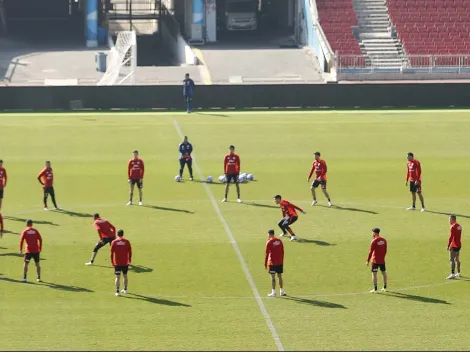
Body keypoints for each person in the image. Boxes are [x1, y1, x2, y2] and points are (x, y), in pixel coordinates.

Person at [110, 229, 132, 296]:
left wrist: (112, 262)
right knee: (125, 276)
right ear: (123, 234)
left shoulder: (114, 242)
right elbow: (130, 252)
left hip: (117, 263)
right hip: (125, 262)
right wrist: (129, 260)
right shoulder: (127, 241)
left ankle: (117, 291)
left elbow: (111, 253)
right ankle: (125, 289)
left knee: (117, 277)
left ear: (117, 234)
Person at [265, 229, 286, 297]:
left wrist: (265, 264)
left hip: (272, 263)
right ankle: (282, 291)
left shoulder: (269, 242)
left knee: (273, 277)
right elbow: (282, 251)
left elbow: (267, 253)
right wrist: (282, 260)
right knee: (280, 276)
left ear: (269, 234)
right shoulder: (279, 241)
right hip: (279, 262)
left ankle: (273, 292)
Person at [366, 228, 388, 293]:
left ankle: (375, 289)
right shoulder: (384, 240)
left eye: (372, 232)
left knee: (374, 273)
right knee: (383, 272)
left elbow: (370, 252)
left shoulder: (374, 241)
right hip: (382, 260)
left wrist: (367, 260)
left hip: (375, 260)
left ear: (374, 233)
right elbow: (385, 250)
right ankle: (385, 287)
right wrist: (382, 257)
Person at [446, 215, 462, 279]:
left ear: (452, 219)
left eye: (449, 219)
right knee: (457, 259)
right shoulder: (459, 226)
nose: (449, 221)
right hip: (459, 245)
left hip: (454, 245)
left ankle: (452, 274)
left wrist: (448, 245)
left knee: (451, 259)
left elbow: (451, 237)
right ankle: (458, 272)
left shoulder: (452, 227)